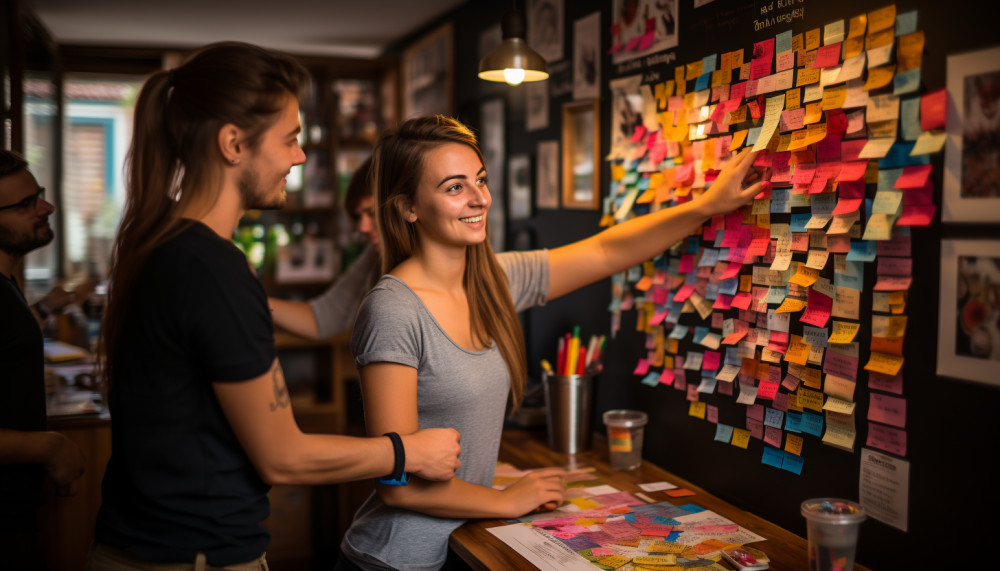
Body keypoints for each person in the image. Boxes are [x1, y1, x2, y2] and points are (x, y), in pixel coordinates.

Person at [87, 42, 461, 570]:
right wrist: (408, 451)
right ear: (233, 144)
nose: (299, 156)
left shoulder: (169, 246)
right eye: (290, 139)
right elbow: (284, 456)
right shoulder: (210, 268)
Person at [337, 115, 766, 571]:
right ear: (409, 207)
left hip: (463, 544)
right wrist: (505, 499)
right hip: (393, 560)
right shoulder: (393, 309)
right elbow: (397, 485)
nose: (480, 198)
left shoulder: (493, 281)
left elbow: (606, 251)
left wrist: (707, 206)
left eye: (480, 179)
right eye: (454, 187)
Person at [0, 149, 86, 570]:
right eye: (26, 204)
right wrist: (51, 446)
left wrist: (47, 306)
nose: (46, 207)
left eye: (40, 195)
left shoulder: (7, 286)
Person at [269, 156, 380, 340]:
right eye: (358, 217)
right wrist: (251, 299)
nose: (363, 227)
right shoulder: (374, 255)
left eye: (372, 213)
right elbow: (325, 316)